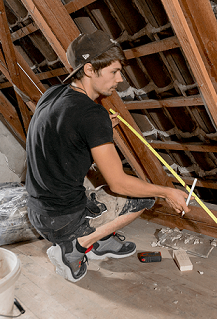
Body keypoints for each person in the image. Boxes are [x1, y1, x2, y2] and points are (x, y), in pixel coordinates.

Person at [25, 30, 190, 282]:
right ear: (90, 69)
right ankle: (76, 247)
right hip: (63, 220)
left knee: (113, 189)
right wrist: (166, 192)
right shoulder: (92, 115)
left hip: (38, 211)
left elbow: (62, 136)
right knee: (142, 197)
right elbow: (119, 184)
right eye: (114, 71)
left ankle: (100, 241)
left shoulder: (53, 94)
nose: (120, 79)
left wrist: (99, 132)